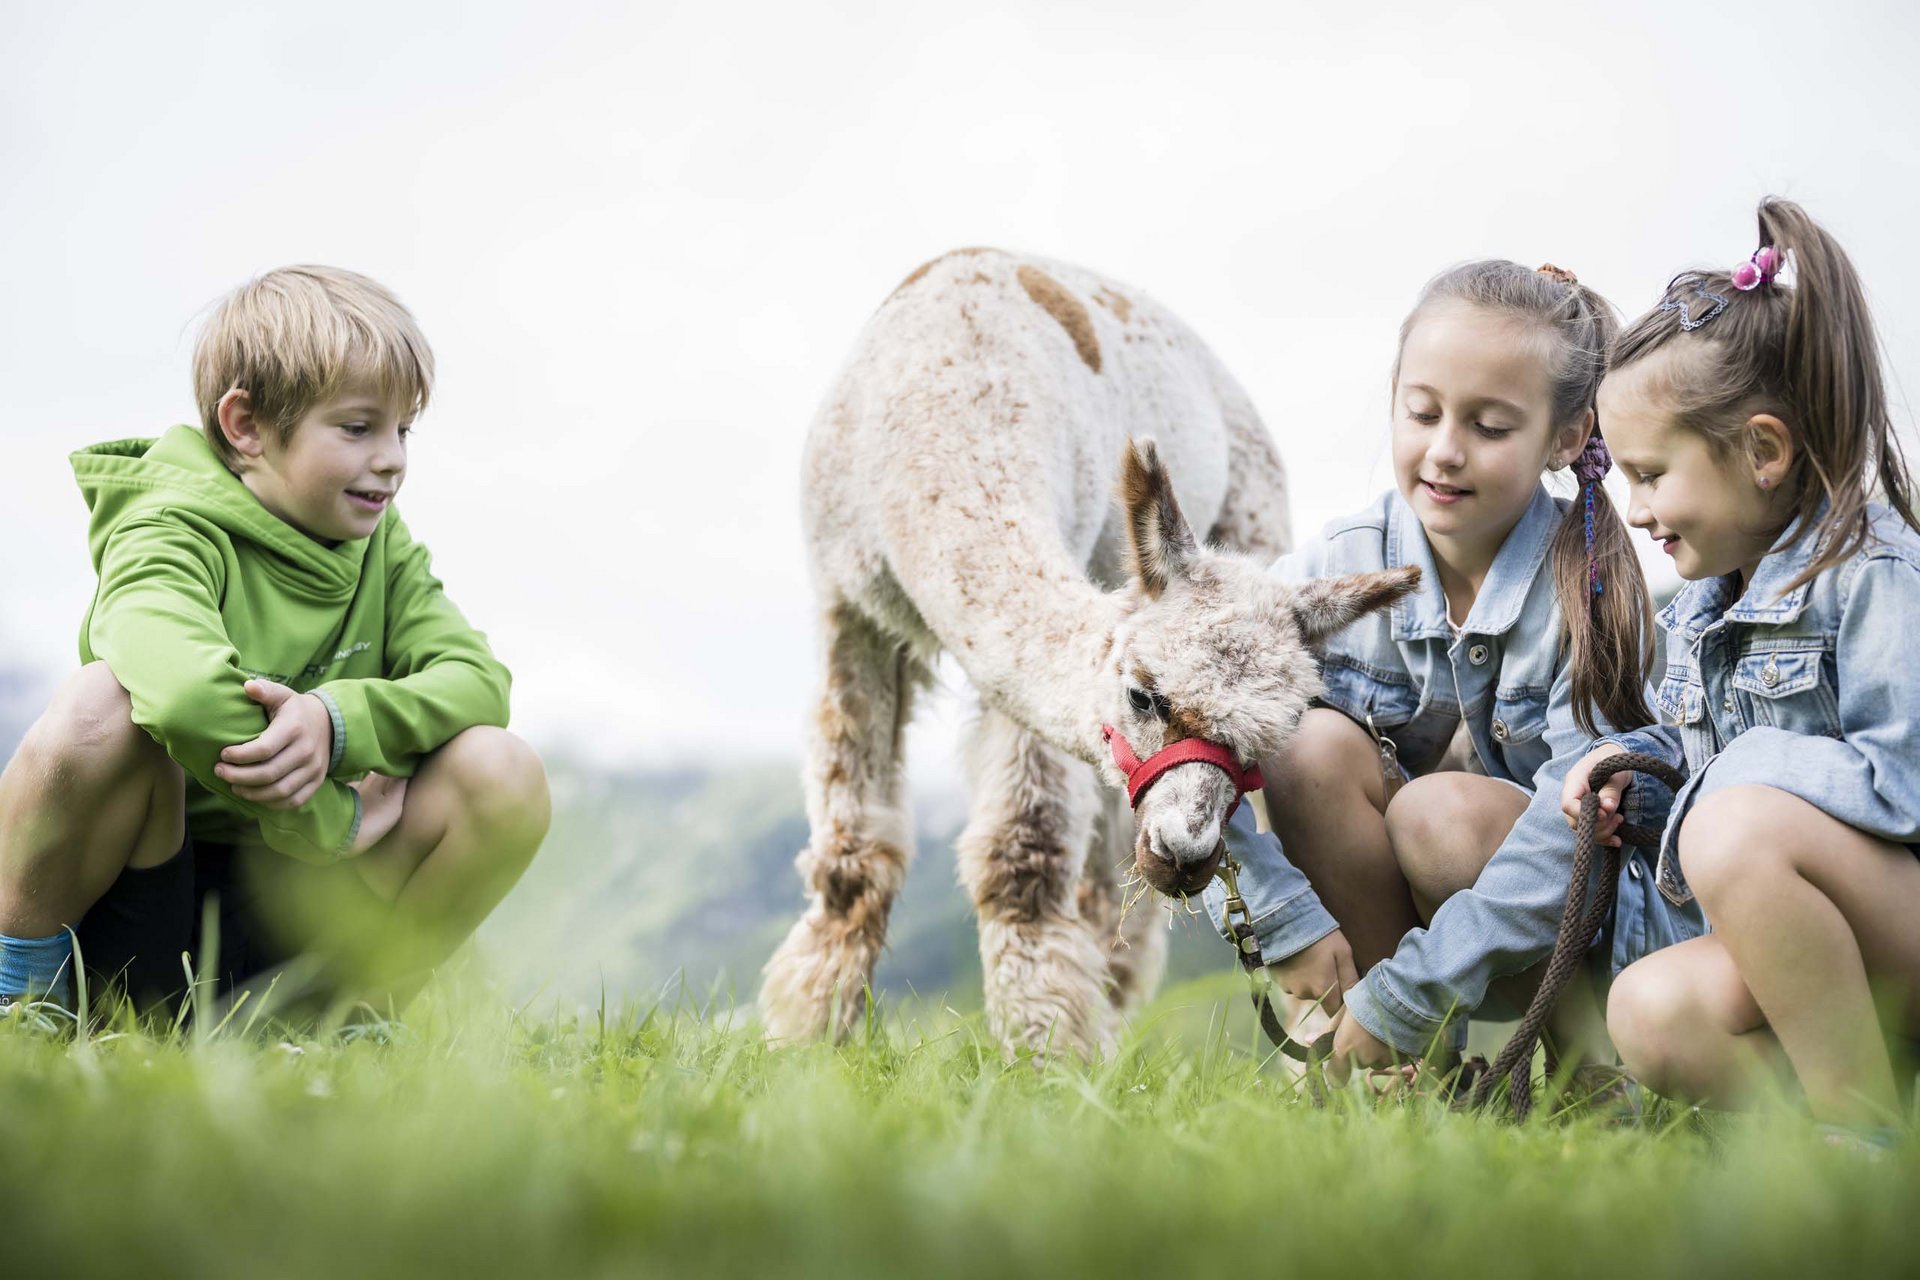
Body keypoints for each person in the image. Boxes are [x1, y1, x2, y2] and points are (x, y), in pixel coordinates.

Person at [0, 265, 549, 1019]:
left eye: (402, 429)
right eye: (358, 428)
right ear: (247, 426)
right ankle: (25, 1000)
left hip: (306, 913)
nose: (391, 458)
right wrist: (336, 820)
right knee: (99, 703)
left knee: (502, 768)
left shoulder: (380, 546)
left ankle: (352, 1018)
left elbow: (478, 680)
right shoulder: (163, 527)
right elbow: (188, 697)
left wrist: (338, 720)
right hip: (149, 901)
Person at [1202, 259, 1703, 1082]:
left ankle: (1587, 1072)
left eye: (1491, 427)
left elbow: (1568, 841)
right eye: (1423, 412)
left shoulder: (1593, 592)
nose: (1445, 452)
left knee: (1438, 814)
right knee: (1307, 748)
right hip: (1405, 931)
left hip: (1566, 928)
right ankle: (1395, 1077)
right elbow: (1183, 723)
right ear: (1396, 392)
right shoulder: (1337, 564)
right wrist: (1278, 912)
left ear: (1569, 436)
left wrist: (1412, 989)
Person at [1566, 199, 1920, 1148]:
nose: (1634, 508)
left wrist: (1731, 789)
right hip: (1827, 942)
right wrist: (1637, 775)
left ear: (1762, 451)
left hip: (1901, 910)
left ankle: (1862, 1135)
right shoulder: (1704, 605)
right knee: (1647, 1012)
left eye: (1649, 473)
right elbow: (1707, 759)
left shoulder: (1876, 573)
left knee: (1734, 825)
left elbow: (1906, 785)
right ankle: (1824, 1135)